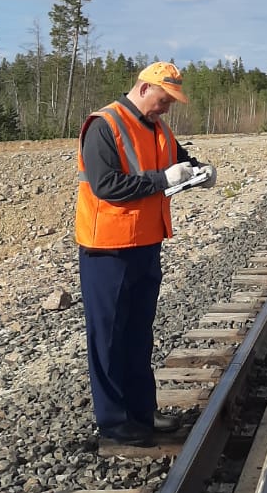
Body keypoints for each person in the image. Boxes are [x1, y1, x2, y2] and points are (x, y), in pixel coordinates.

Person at [75, 61, 217, 447]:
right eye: (164, 98)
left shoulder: (158, 128)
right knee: (109, 338)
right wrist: (161, 179)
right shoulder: (104, 124)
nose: (167, 107)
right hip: (107, 248)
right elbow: (106, 185)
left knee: (138, 334)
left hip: (144, 243)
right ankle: (115, 422)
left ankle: (141, 411)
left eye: (171, 101)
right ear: (143, 88)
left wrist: (199, 172)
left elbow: (179, 159)